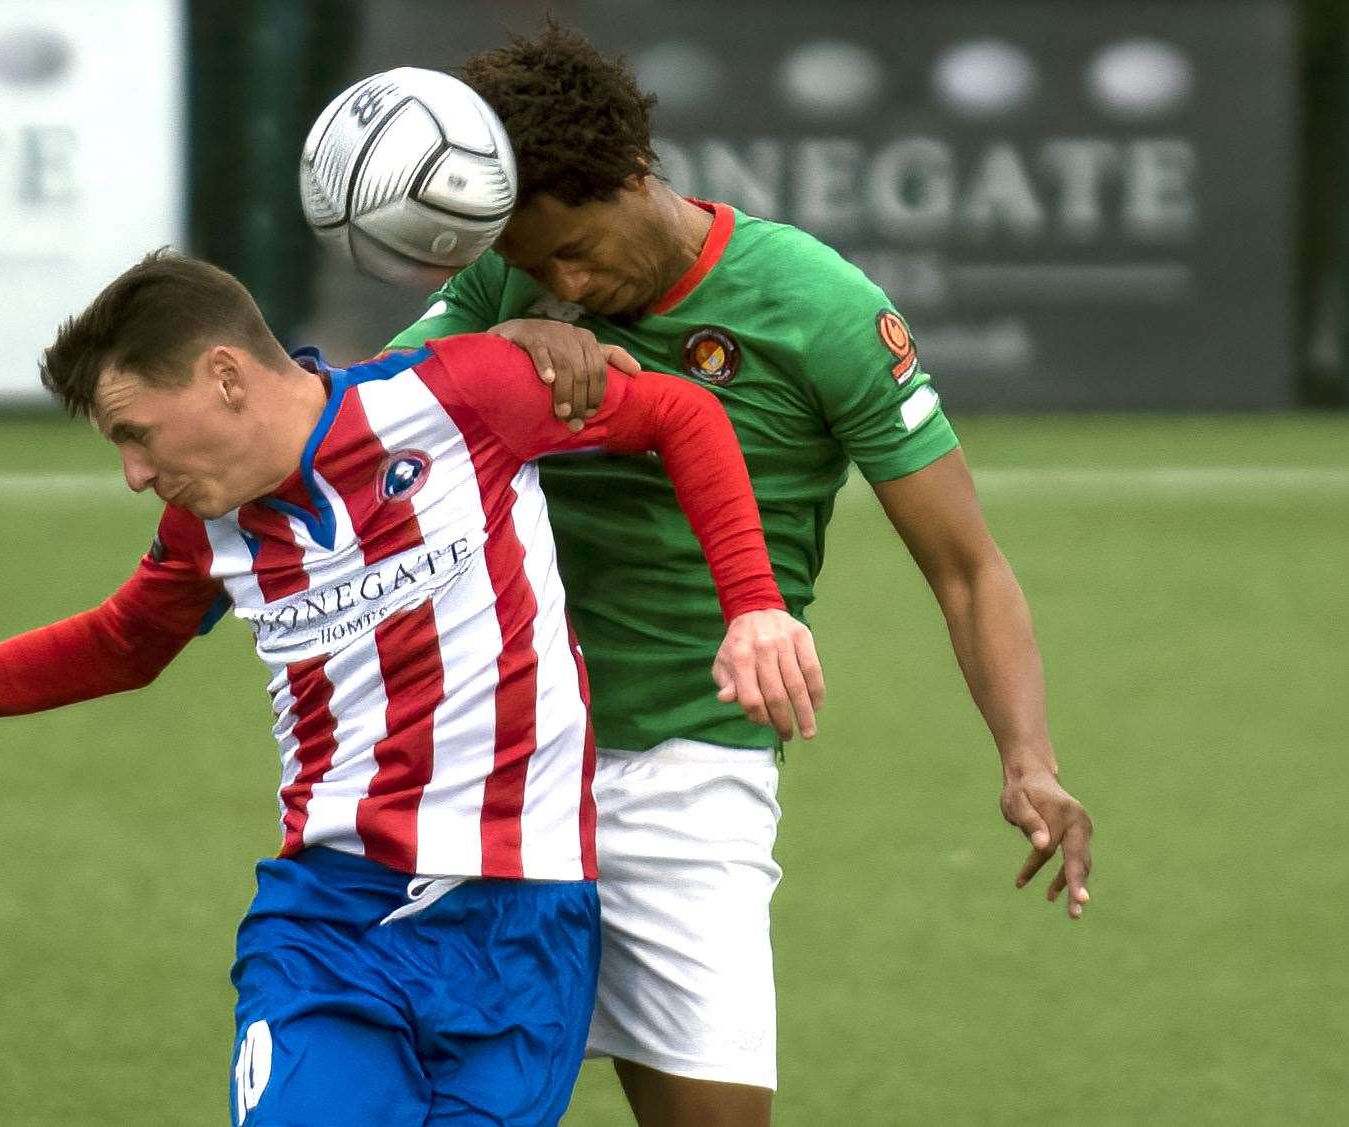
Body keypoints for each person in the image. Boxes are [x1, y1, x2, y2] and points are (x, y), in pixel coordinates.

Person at [0, 250, 824, 1126]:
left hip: (526, 923)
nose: (135, 472)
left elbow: (681, 414)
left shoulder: (459, 400)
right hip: (332, 923)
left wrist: (753, 601)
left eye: (134, 433)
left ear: (223, 374)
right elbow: (119, 643)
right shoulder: (205, 527)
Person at [378, 25, 1097, 1127]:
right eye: (536, 267)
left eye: (574, 250)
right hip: (487, 764)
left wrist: (1026, 758)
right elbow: (362, 426)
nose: (566, 281)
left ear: (633, 177)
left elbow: (965, 568)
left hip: (685, 777)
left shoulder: (820, 307)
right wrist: (504, 332)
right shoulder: (503, 284)